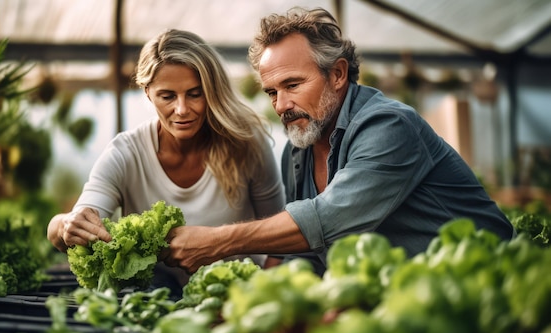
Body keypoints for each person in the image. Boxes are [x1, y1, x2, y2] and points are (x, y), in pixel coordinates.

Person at [163, 7, 515, 276]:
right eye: (272, 91)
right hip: (404, 292)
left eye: (292, 85)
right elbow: (304, 257)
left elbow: (329, 218)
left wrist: (217, 242)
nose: (281, 105)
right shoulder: (297, 151)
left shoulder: (389, 125)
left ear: (337, 74)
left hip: (483, 279)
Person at [47, 29, 285, 295]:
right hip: (156, 302)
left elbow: (277, 237)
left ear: (212, 91)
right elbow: (80, 219)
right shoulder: (126, 154)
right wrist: (64, 225)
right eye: (168, 96)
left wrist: (260, 300)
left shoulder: (246, 142)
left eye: (195, 94)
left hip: (235, 299)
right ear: (148, 92)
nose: (182, 109)